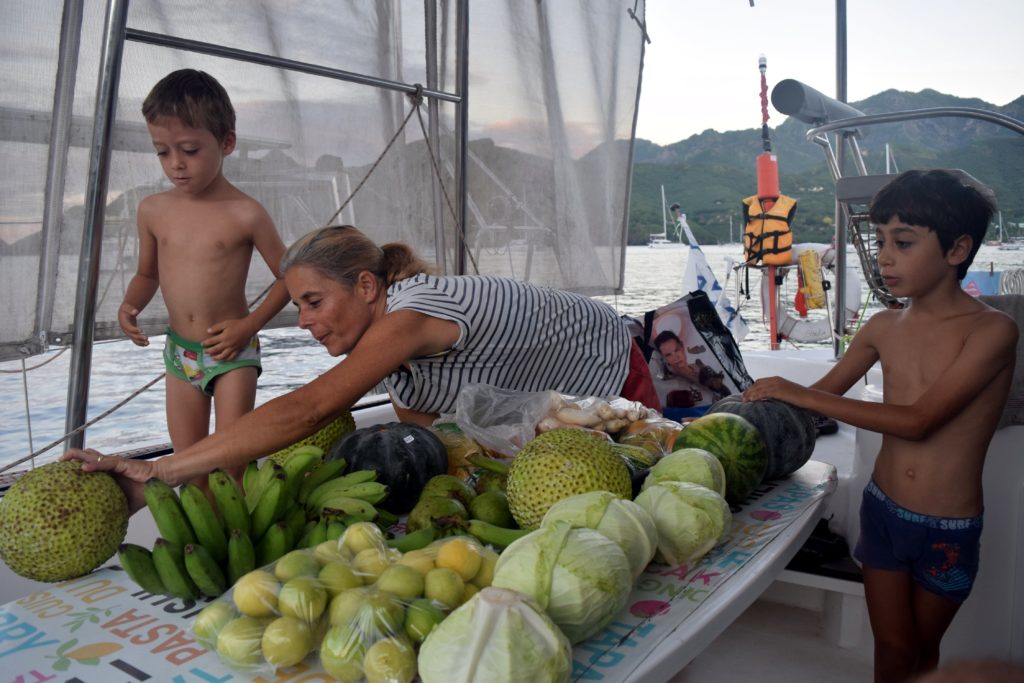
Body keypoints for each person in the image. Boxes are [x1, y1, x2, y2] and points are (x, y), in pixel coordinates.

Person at [66, 225, 660, 511]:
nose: (303, 321)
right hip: (556, 399)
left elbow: (309, 408)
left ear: (368, 286)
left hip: (615, 365)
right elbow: (439, 445)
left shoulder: (410, 315)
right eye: (298, 306)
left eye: (314, 302)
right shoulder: (399, 368)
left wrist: (161, 470)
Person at [741, 169, 1018, 683]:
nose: (884, 257)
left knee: (923, 651)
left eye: (904, 242)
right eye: (880, 241)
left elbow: (918, 421)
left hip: (947, 529)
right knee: (891, 649)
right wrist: (741, 409)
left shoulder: (993, 331)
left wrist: (795, 391)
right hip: (883, 511)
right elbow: (823, 394)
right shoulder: (883, 325)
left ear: (958, 250)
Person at [118, 69, 290, 480]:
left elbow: (289, 278)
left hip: (232, 353)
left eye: (190, 150)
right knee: (187, 465)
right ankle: (198, 541)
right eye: (162, 152)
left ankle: (235, 537)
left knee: (231, 462)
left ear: (227, 142)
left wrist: (248, 325)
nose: (175, 163)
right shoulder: (152, 210)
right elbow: (147, 274)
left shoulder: (246, 213)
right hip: (180, 355)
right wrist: (129, 305)